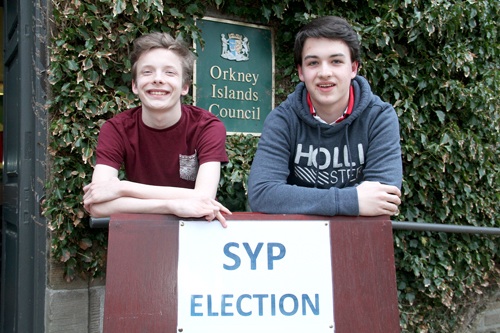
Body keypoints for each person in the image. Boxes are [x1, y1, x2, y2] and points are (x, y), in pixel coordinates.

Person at [248, 16, 402, 217]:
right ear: (301, 72)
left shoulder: (379, 117)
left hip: (358, 238)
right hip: (297, 239)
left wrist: (300, 200)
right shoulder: (283, 120)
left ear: (354, 68)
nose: (324, 72)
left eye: (336, 61)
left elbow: (384, 198)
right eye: (313, 63)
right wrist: (351, 200)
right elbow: (262, 193)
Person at [83, 32, 231, 227]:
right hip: (142, 235)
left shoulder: (207, 127)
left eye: (169, 72)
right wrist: (171, 206)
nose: (158, 79)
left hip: (197, 233)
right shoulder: (116, 129)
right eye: (147, 72)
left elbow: (204, 198)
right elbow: (97, 206)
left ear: (185, 86)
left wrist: (122, 188)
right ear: (135, 86)